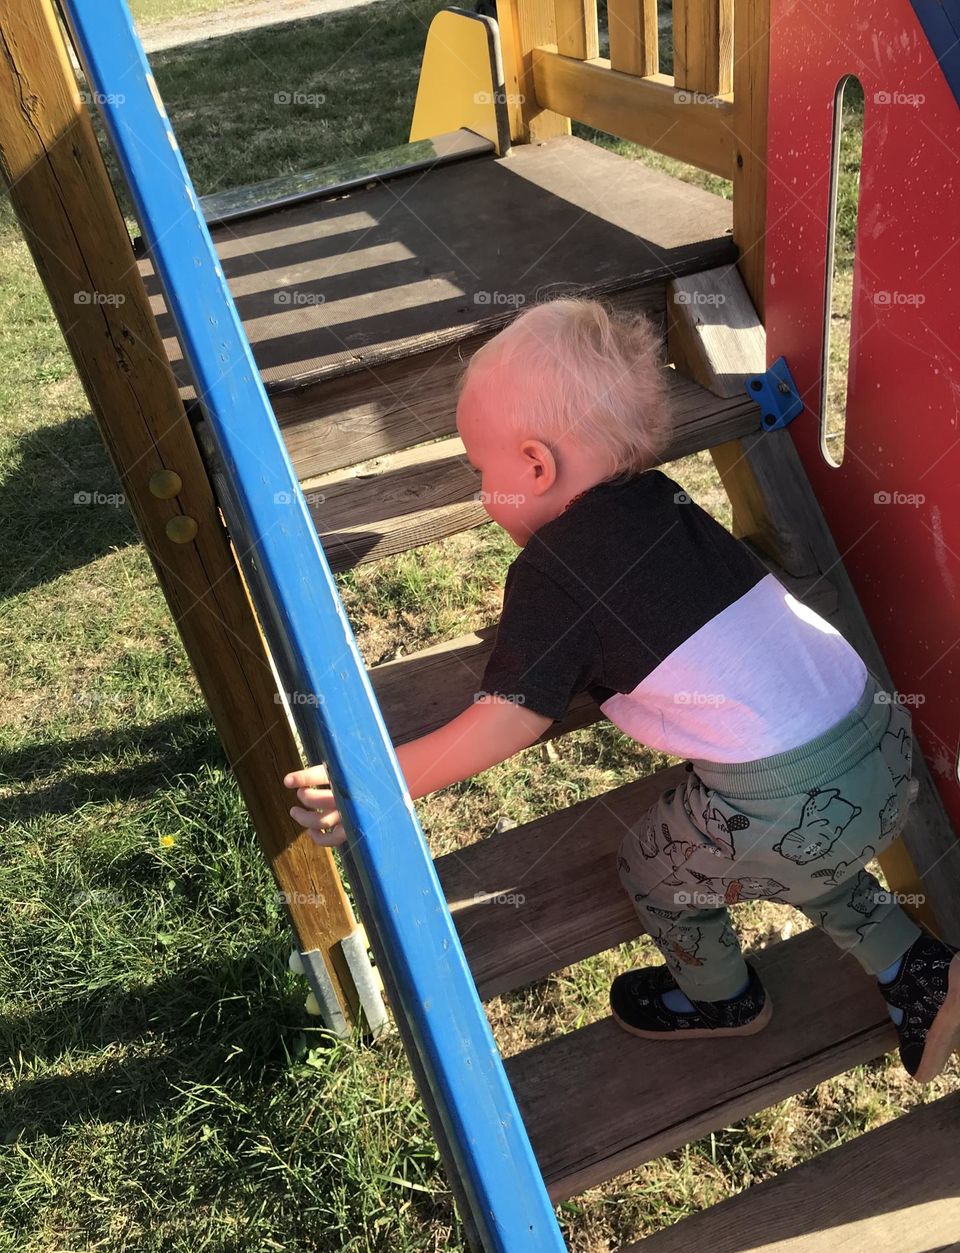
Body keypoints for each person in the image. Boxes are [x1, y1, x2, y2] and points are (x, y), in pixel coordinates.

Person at [285, 297, 960, 1084]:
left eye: (480, 470)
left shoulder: (550, 572)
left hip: (783, 798)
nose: (479, 494)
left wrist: (375, 785)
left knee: (657, 866)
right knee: (785, 850)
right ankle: (917, 967)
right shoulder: (664, 501)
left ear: (535, 466)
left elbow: (507, 721)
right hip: (882, 755)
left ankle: (721, 1000)